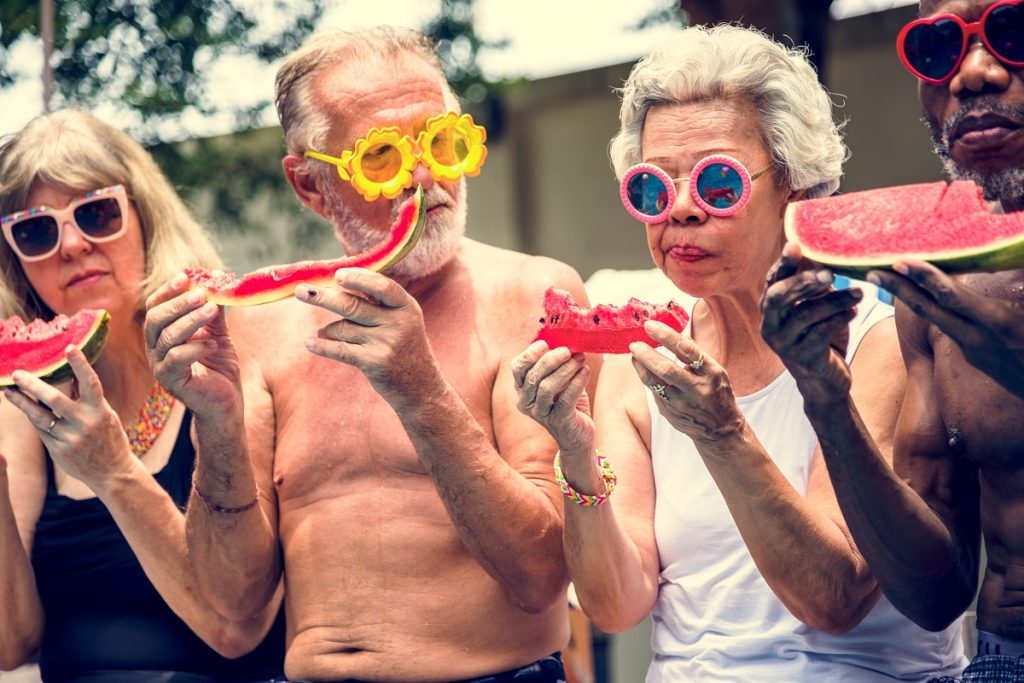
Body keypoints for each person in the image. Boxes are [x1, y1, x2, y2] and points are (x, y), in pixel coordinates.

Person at [512, 24, 967, 681]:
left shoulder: (879, 339)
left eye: (718, 184)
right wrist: (576, 455)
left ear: (796, 183)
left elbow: (833, 595)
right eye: (653, 189)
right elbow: (618, 603)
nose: (683, 211)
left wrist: (720, 432)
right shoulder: (642, 366)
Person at [143, 26, 595, 682]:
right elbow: (232, 599)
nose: (423, 177)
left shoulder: (532, 293)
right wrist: (214, 426)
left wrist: (420, 389)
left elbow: (542, 576)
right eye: (381, 157)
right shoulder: (262, 329)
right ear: (309, 185)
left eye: (442, 143)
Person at [761, 1, 1024, 680]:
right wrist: (827, 400)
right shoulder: (937, 292)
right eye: (938, 48)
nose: (973, 73)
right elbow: (935, 594)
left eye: (1014, 31)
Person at [0, 110, 285, 681]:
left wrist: (112, 470)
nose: (74, 245)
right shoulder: (23, 408)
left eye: (97, 213)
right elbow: (10, 646)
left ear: (146, 219)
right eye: (35, 230)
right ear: (15, 262)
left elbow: (237, 628)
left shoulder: (226, 355)